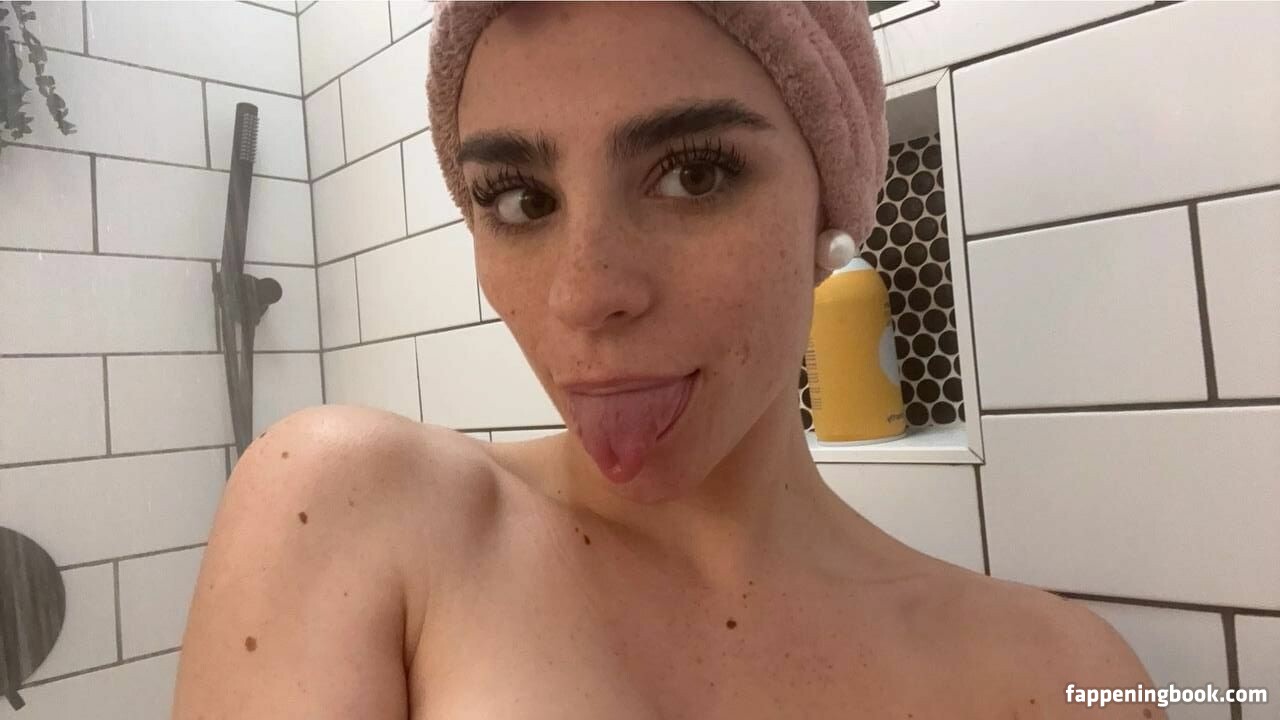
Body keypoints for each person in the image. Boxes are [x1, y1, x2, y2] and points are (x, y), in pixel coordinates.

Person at [173, 3, 1164, 718]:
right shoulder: (349, 512)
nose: (583, 293)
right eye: (519, 199)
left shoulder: (1059, 676)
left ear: (829, 208)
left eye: (693, 175)